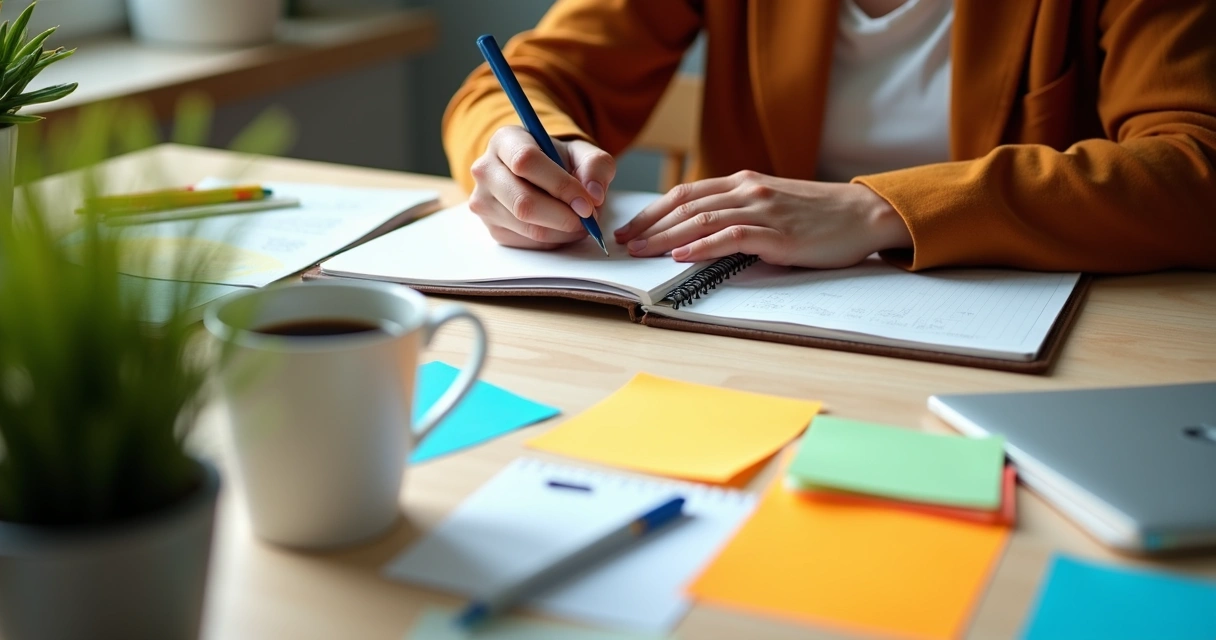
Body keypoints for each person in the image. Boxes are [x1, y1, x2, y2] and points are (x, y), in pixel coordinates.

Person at [443, 0, 1216, 272]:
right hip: (748, 338)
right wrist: (521, 150)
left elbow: (1195, 164)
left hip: (1030, 356)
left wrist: (877, 209)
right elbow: (519, 81)